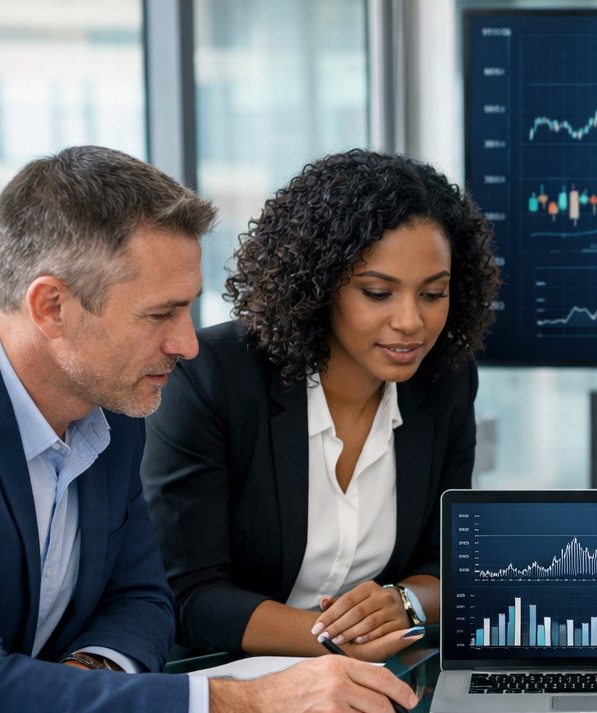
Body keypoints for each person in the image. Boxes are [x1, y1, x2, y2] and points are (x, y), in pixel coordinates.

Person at [0, 145, 417, 713]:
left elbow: (143, 600)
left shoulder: (111, 403)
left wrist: (88, 682)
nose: (188, 344)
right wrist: (245, 711)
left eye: (190, 306)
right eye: (161, 314)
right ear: (51, 307)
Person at [142, 151, 499, 659]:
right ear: (319, 284)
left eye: (432, 293)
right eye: (378, 293)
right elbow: (189, 595)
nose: (410, 322)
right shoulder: (210, 378)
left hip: (377, 685)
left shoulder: (444, 381)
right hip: (225, 681)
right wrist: (339, 641)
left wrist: (405, 603)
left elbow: (448, 559)